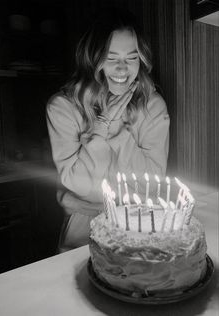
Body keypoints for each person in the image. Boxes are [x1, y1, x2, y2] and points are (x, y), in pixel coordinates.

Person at [46, 8, 170, 252]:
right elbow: (78, 185)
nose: (123, 69)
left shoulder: (152, 105)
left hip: (140, 223)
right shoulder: (63, 107)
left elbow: (152, 184)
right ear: (93, 58)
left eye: (131, 58)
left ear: (141, 59)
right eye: (111, 57)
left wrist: (114, 132)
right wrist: (100, 127)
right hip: (84, 225)